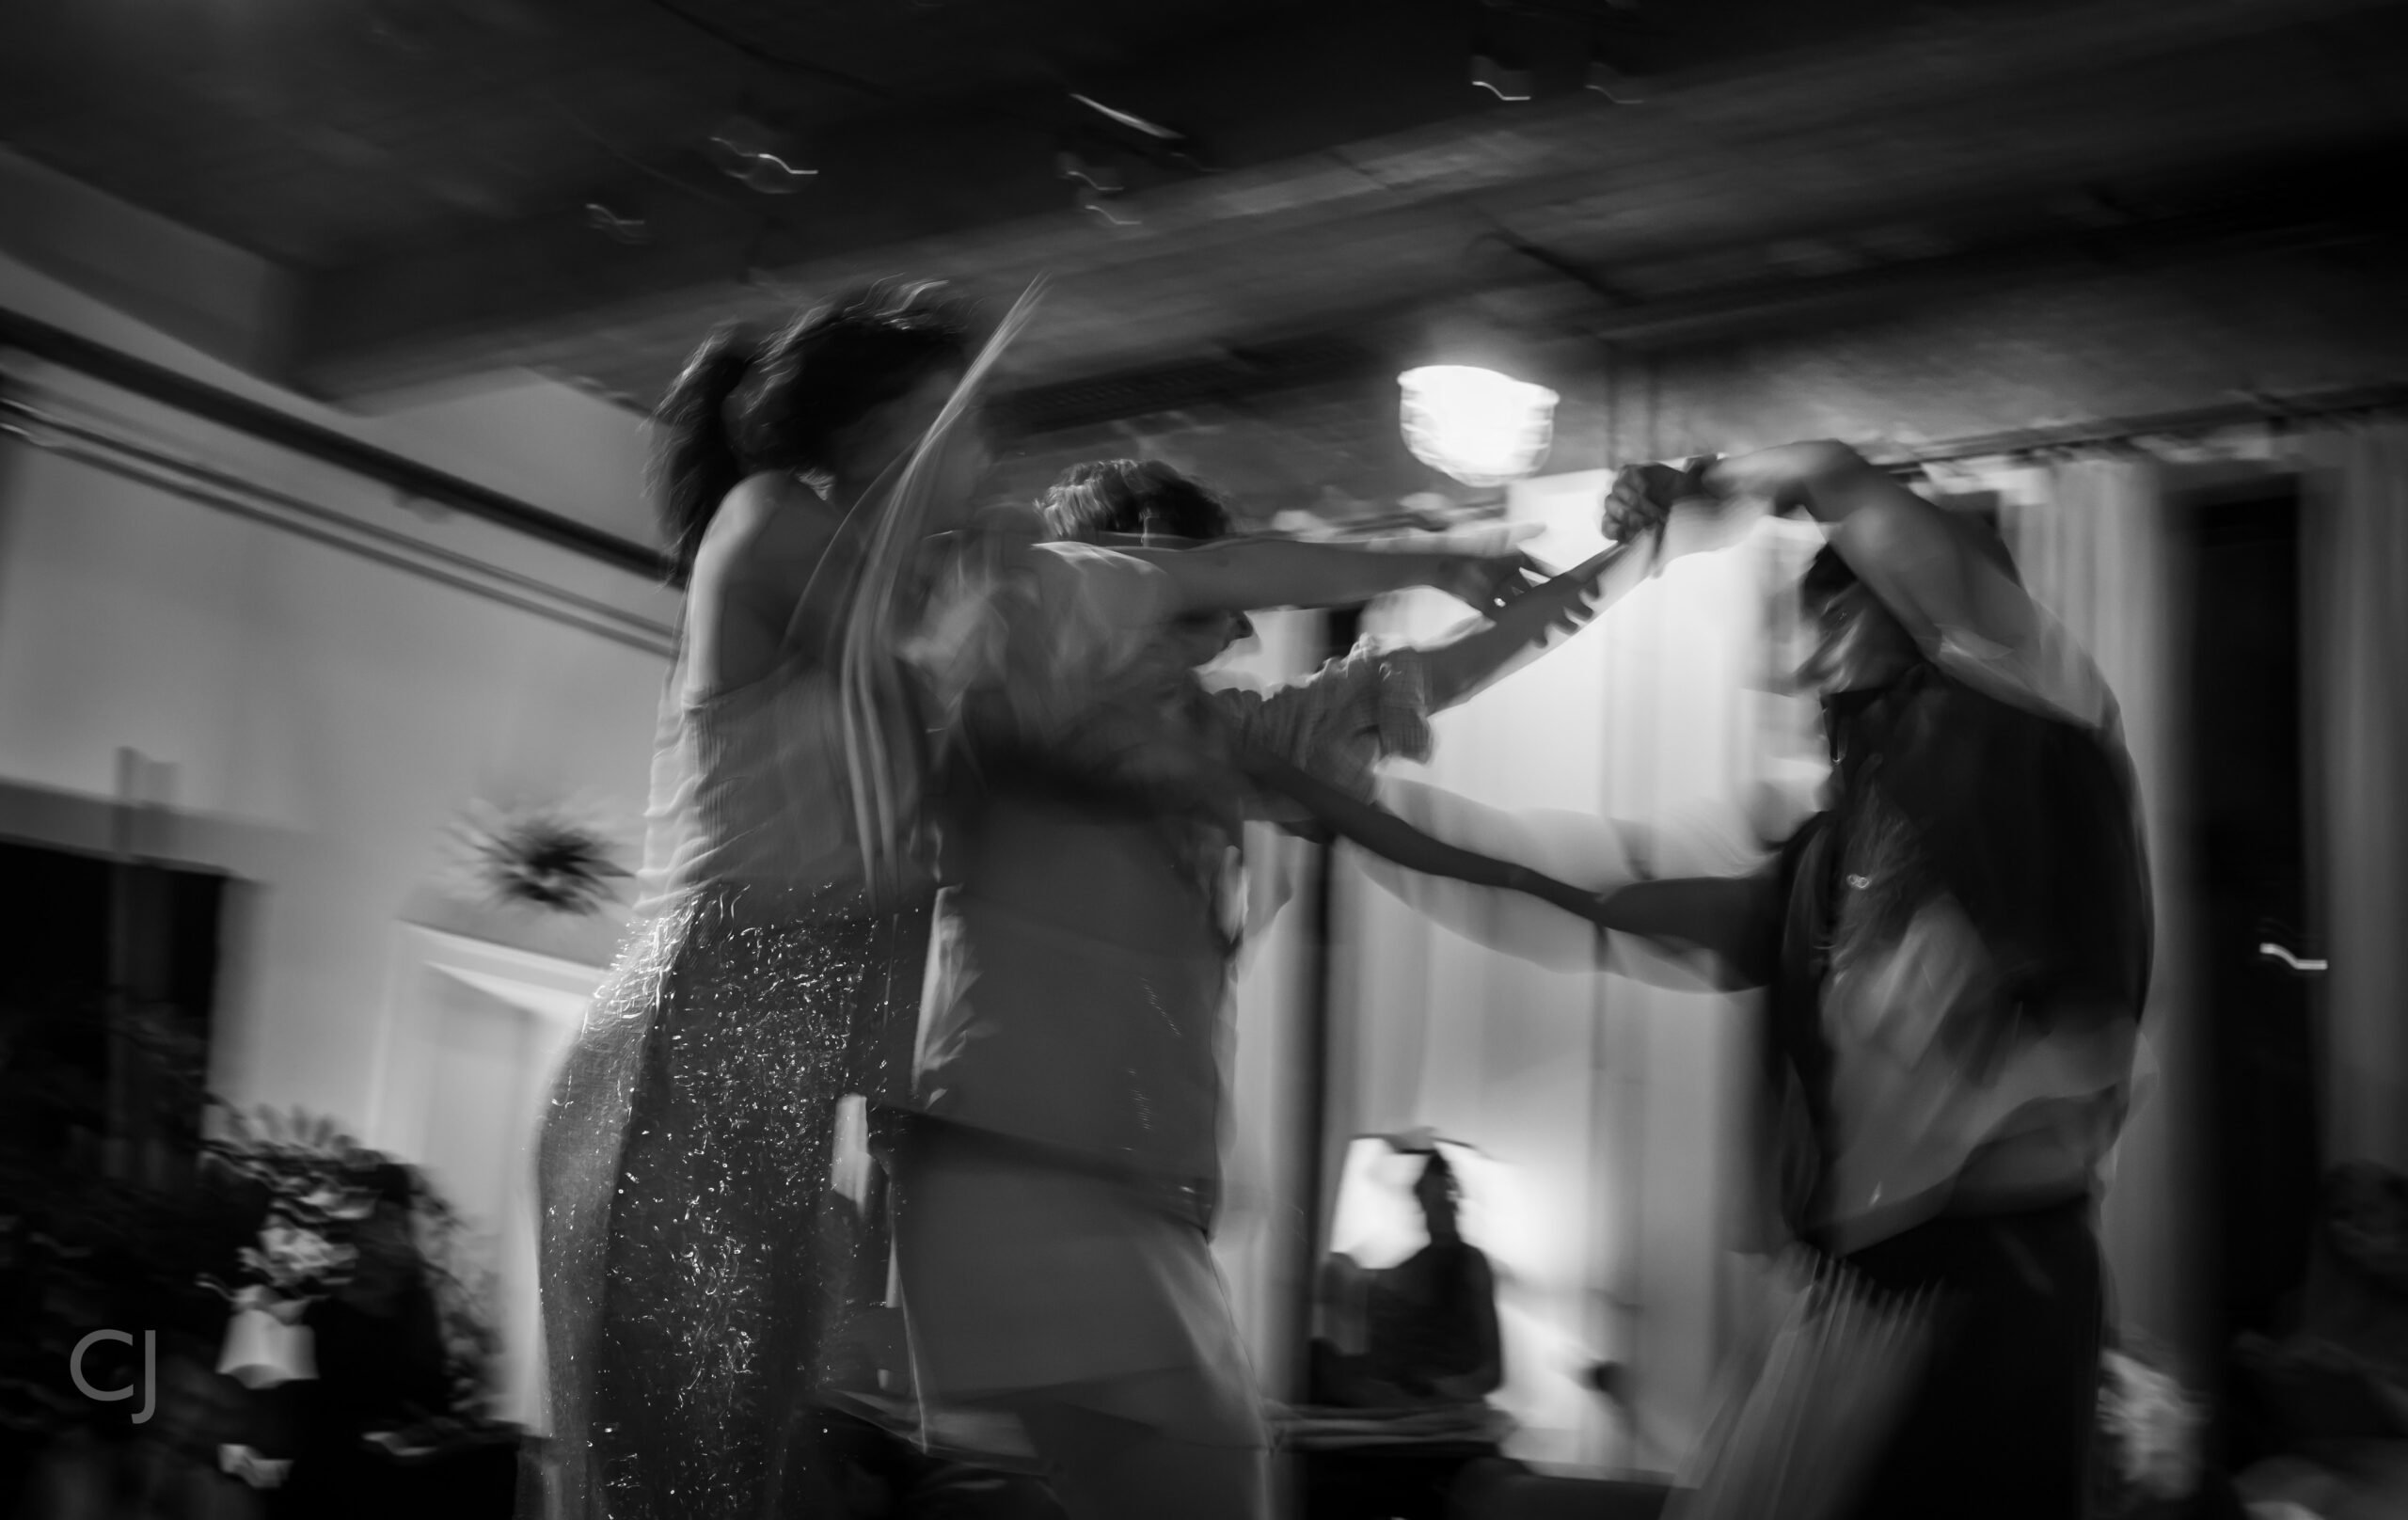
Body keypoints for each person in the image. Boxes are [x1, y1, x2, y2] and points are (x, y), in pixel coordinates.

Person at [534, 283, 1543, 1520]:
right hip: (696, 1043)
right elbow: (966, 666)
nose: (984, 453)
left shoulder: (947, 588)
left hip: (794, 1074)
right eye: (960, 423)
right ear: (883, 432)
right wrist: (1087, 661)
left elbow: (1205, 576)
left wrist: (1438, 559)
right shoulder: (773, 519)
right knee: (673, 1480)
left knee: (738, 1479)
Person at [1320, 442, 2151, 1519]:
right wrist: (1345, 814)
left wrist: (1708, 499)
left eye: (1834, 623)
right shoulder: (1830, 863)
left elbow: (1831, 471)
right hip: (1852, 1297)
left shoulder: (2035, 728)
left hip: (1992, 1288)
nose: (1804, 673)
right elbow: (1588, 891)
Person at [890, 460, 1610, 1520]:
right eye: (1197, 592)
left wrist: (1639, 554)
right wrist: (1438, 557)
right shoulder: (1021, 676)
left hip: (1130, 1186)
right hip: (1025, 1167)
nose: (1227, 629)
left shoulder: (1218, 741)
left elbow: (1447, 670)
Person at [1315, 1149, 1505, 1410]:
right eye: (1432, 1201)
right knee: (1322, 1356)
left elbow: (1492, 1373)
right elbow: (1385, 1360)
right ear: (1422, 1203)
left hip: (1444, 1402)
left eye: (1444, 1200)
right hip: (1405, 1398)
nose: (1440, 1211)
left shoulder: (1472, 1264)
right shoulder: (1407, 1270)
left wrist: (1442, 1388)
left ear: (1455, 1202)